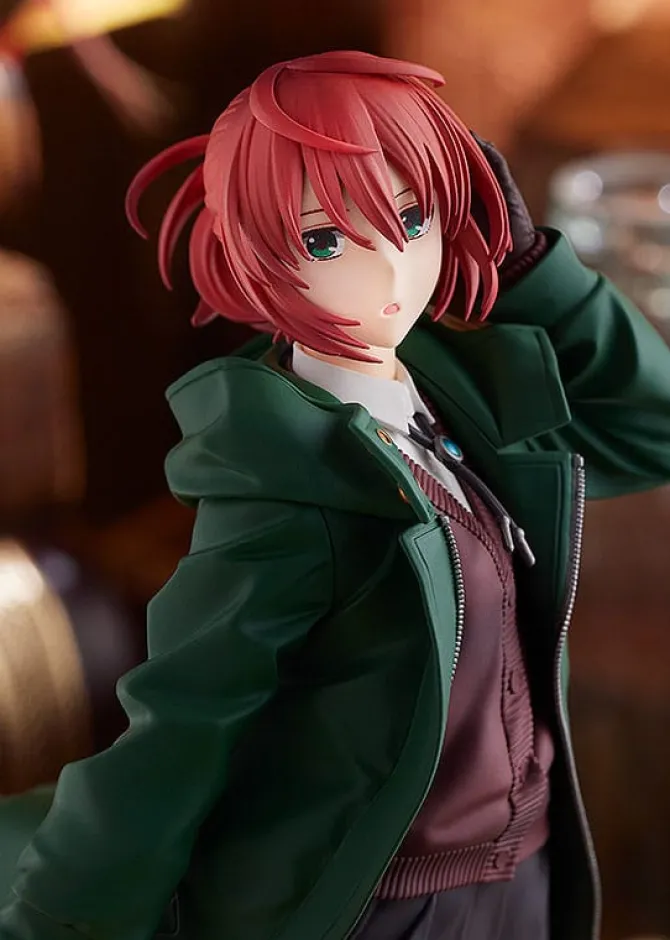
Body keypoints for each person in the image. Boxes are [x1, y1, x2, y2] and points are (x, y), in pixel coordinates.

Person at [1, 49, 670, 940]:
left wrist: (532, 273)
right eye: (325, 239)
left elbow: (652, 431)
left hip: (531, 870)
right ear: (253, 249)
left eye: (411, 217)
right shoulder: (283, 486)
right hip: (393, 900)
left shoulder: (457, 397)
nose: (389, 268)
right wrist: (62, 921)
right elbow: (181, 726)